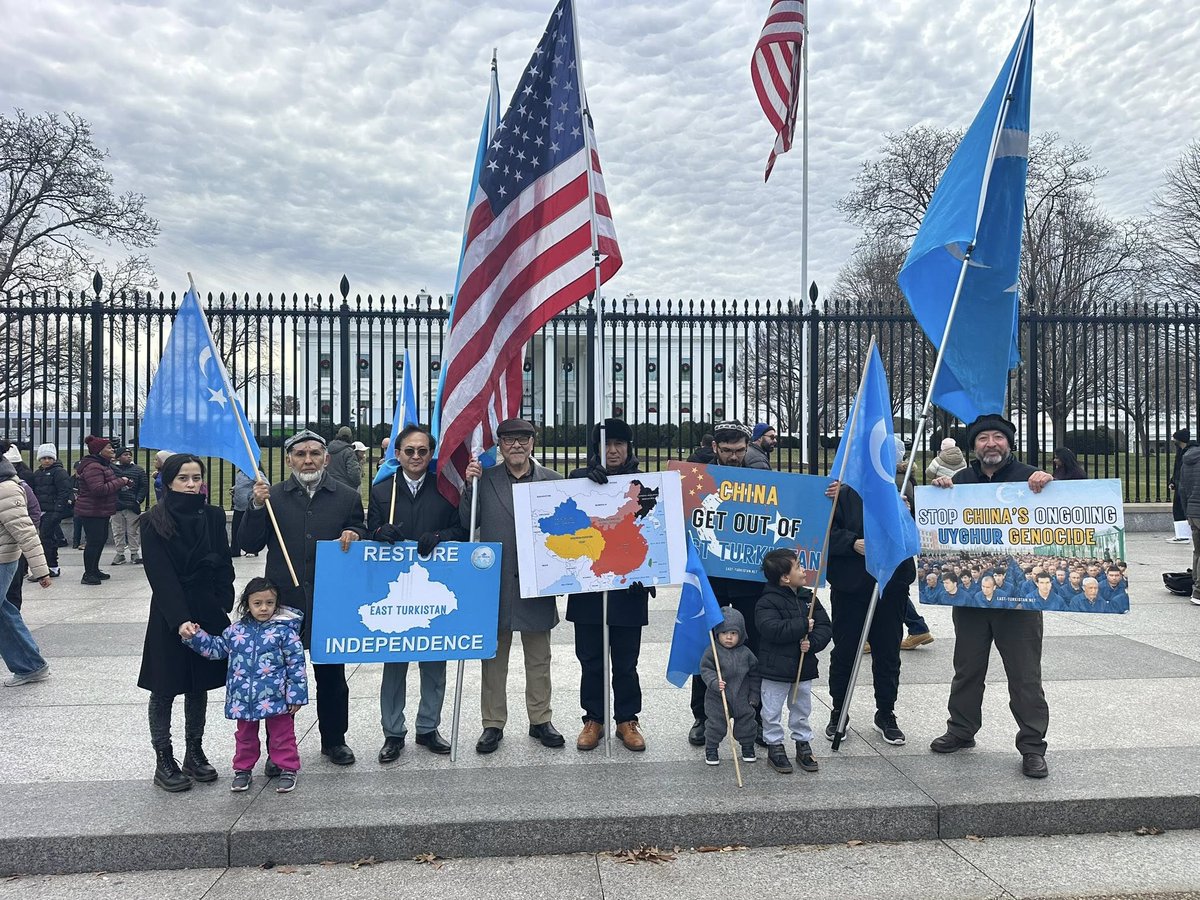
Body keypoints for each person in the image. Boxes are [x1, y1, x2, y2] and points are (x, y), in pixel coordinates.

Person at [929, 414, 1053, 779]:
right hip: (972, 598)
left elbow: (1073, 507)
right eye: (983, 438)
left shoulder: (1031, 478)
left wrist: (1051, 483)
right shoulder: (961, 482)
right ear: (974, 447)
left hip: (1019, 601)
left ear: (1009, 443)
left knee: (1025, 674)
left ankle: (1032, 745)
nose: (991, 444)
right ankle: (961, 730)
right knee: (967, 668)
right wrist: (938, 492)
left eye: (998, 437)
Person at [239, 429, 366, 767]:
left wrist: (355, 533)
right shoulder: (273, 497)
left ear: (326, 457)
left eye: (314, 453)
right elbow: (249, 543)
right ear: (288, 460)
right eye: (300, 454)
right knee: (280, 678)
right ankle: (279, 748)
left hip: (329, 599)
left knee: (331, 676)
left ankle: (334, 740)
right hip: (283, 602)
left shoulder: (347, 496)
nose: (307, 460)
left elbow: (361, 531)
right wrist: (255, 506)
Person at [462, 418, 565, 754]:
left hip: (537, 584)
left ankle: (540, 719)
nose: (516, 446)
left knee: (539, 659)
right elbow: (467, 524)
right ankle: (492, 724)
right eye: (509, 440)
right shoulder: (485, 480)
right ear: (500, 445)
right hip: (497, 584)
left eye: (523, 439)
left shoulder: (552, 480)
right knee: (493, 660)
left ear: (533, 442)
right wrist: (468, 488)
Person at [136, 453, 234, 792]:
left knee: (198, 684)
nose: (191, 485)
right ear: (168, 481)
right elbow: (160, 576)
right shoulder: (152, 520)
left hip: (207, 607)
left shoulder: (212, 514)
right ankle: (164, 758)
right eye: (184, 479)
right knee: (164, 686)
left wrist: (224, 600)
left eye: (196, 478)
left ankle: (195, 750)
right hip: (170, 611)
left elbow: (223, 560)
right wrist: (179, 619)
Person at [367, 424, 465, 762]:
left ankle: (428, 727)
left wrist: (441, 535)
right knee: (395, 664)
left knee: (434, 661)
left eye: (423, 451)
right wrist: (380, 531)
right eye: (409, 450)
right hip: (395, 592)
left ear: (430, 454)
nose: (416, 457)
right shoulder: (383, 490)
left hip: (433, 588)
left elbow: (462, 529)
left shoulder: (445, 489)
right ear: (397, 454)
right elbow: (370, 531)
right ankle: (393, 732)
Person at [565, 418, 652, 753]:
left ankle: (627, 719)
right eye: (605, 445)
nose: (612, 451)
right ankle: (594, 718)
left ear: (628, 448)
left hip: (630, 586)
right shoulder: (577, 480)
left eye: (618, 444)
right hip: (589, 586)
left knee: (626, 661)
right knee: (591, 659)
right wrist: (586, 484)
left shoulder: (644, 484)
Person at [181, 577, 308, 794]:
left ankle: (287, 768)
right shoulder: (236, 631)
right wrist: (195, 636)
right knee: (245, 736)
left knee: (282, 734)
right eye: (257, 603)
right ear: (247, 604)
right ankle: (242, 770)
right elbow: (216, 649)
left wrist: (295, 695)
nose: (264, 608)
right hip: (244, 699)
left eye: (269, 602)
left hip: (275, 697)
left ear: (276, 604)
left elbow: (296, 664)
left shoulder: (286, 632)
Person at [825, 448, 917, 747]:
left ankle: (886, 714)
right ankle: (839, 709)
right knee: (846, 651)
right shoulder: (841, 492)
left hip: (890, 585)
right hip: (851, 585)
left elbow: (918, 533)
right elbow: (825, 531)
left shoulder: (902, 491)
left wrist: (906, 513)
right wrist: (853, 543)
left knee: (888, 651)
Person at [687, 422, 769, 747]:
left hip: (750, 578)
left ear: (747, 445)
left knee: (753, 648)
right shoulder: (698, 478)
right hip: (712, 577)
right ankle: (702, 717)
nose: (734, 456)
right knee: (706, 646)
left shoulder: (764, 477)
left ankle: (754, 717)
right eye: (727, 451)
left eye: (740, 450)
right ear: (716, 448)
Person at [755, 548, 831, 775]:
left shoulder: (809, 597)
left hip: (803, 666)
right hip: (774, 669)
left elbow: (825, 626)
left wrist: (813, 643)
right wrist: (801, 625)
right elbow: (770, 629)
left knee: (801, 707)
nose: (803, 569)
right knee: (771, 709)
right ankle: (775, 745)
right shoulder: (767, 601)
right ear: (785, 577)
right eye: (798, 566)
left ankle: (802, 742)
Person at [0, 451, 53, 686]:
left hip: (2, 559)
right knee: (4, 613)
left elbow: (26, 531)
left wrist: (41, 570)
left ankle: (31, 665)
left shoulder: (6, 488)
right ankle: (30, 665)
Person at [699, 606, 758, 766]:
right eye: (724, 633)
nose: (729, 637)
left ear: (741, 634)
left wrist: (754, 695)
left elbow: (755, 675)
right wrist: (713, 682)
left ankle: (747, 747)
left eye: (733, 633)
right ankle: (711, 748)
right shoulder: (712, 651)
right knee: (715, 724)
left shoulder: (746, 653)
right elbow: (705, 669)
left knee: (746, 723)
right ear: (718, 634)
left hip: (742, 697)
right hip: (717, 697)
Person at [75, 435, 132, 585]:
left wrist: (124, 481)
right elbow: (98, 489)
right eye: (108, 447)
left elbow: (107, 482)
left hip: (100, 510)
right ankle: (88, 574)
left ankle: (94, 570)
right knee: (94, 542)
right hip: (92, 511)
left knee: (100, 540)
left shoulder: (102, 464)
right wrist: (121, 482)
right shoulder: (93, 466)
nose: (112, 449)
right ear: (99, 451)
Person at [895, 436, 934, 651]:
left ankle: (918, 627)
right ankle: (918, 627)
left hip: (895, 538)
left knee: (889, 587)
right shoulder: (905, 475)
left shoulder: (895, 478)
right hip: (903, 537)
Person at [2, 444, 40, 611]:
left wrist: (40, 570)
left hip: (7, 552)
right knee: (7, 610)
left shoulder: (11, 487)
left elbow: (27, 528)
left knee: (10, 601)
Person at [30, 444, 70, 578]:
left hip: (52, 511)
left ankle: (52, 566)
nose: (46, 461)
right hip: (40, 511)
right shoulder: (37, 474)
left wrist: (57, 511)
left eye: (49, 458)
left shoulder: (59, 473)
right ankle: (48, 566)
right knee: (45, 539)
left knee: (46, 539)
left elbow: (64, 492)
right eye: (43, 458)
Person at [110, 445, 148, 565]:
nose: (128, 456)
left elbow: (143, 486)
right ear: (118, 457)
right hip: (116, 505)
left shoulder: (138, 470)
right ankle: (120, 553)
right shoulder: (112, 470)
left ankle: (134, 552)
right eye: (125, 455)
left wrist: (138, 500)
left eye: (129, 454)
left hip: (132, 504)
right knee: (117, 530)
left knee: (133, 530)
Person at [1177, 437, 1200, 604]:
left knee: (1198, 551)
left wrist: (1187, 512)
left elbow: (1182, 489)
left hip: (1192, 511)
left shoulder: (1187, 460)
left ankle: (1197, 590)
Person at [1169, 429, 1195, 543]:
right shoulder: (1180, 451)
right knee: (1177, 509)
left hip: (1186, 485)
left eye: (1175, 438)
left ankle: (1184, 535)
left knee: (1183, 509)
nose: (1173, 440)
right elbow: (1177, 469)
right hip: (1179, 483)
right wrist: (1173, 481)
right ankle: (1180, 534)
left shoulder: (1190, 452)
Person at [229, 469, 258, 557]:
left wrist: (252, 496)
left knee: (250, 529)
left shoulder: (255, 472)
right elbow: (241, 485)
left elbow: (264, 484)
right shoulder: (240, 473)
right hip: (238, 506)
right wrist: (234, 488)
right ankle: (235, 550)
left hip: (248, 507)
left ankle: (252, 550)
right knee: (235, 529)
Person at [326, 426, 362, 491]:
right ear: (350, 437)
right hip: (345, 487)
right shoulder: (349, 451)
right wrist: (357, 483)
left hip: (330, 485)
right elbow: (354, 473)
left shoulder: (328, 449)